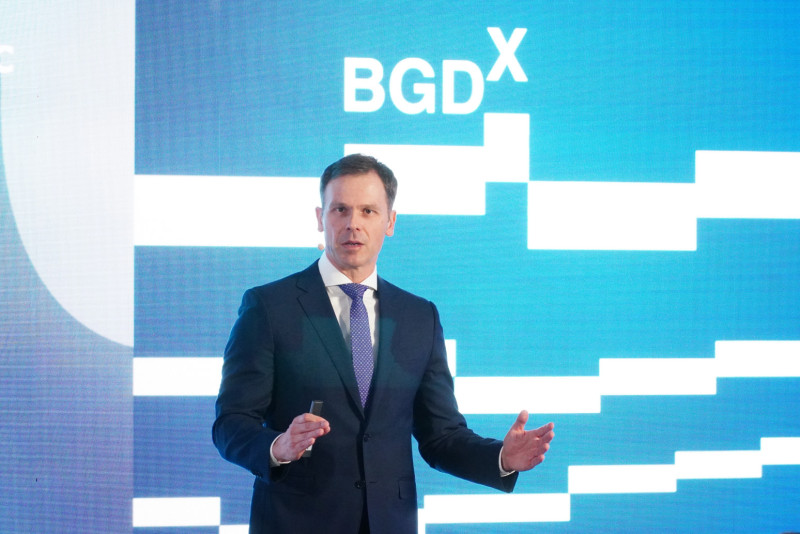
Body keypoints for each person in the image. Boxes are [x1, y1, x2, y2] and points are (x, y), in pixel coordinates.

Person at [213, 154, 555, 533]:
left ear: (390, 221)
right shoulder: (269, 307)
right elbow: (231, 422)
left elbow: (441, 436)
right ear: (320, 217)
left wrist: (501, 458)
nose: (353, 223)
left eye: (368, 211)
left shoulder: (419, 316)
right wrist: (277, 447)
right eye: (340, 209)